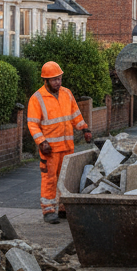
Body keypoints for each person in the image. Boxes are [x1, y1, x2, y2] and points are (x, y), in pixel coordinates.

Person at [27, 61, 92, 223]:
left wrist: (84, 128)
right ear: (46, 80)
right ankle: (48, 210)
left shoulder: (67, 94)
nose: (58, 82)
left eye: (60, 78)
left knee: (66, 178)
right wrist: (42, 142)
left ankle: (63, 208)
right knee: (50, 179)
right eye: (55, 79)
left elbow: (75, 114)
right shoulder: (37, 99)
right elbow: (33, 124)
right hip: (50, 149)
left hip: (67, 147)